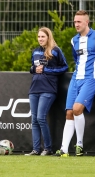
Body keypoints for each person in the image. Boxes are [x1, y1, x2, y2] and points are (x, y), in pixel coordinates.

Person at [53, 10, 95, 157]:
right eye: (75, 22)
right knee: (69, 112)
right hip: (76, 78)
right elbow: (76, 58)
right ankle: (64, 150)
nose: (76, 24)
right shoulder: (74, 40)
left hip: (91, 78)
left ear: (87, 22)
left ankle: (79, 144)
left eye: (79, 22)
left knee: (77, 109)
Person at [25, 27, 68, 156]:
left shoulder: (56, 51)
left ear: (48, 37)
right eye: (38, 37)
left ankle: (48, 148)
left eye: (42, 37)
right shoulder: (35, 51)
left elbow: (64, 67)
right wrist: (34, 69)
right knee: (34, 120)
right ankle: (36, 149)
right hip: (34, 88)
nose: (40, 39)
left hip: (48, 89)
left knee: (41, 118)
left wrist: (47, 71)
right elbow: (32, 68)